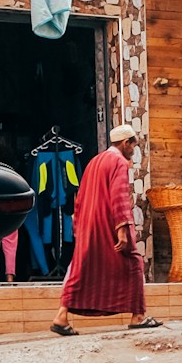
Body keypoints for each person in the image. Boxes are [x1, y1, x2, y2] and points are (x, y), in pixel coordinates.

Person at [52, 124, 156, 333]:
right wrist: (122, 227)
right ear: (125, 143)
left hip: (89, 225)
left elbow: (79, 197)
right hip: (107, 223)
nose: (133, 151)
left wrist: (78, 227)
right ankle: (137, 315)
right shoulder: (118, 161)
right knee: (133, 262)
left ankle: (61, 316)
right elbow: (118, 196)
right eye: (133, 146)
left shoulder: (95, 161)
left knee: (83, 269)